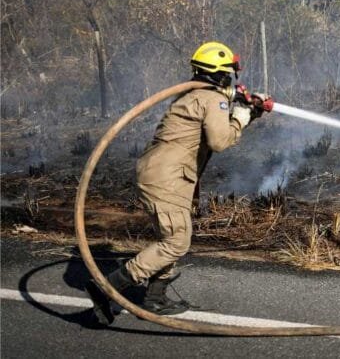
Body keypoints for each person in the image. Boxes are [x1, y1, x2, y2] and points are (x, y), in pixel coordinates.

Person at [85, 41, 271, 325]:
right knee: (176, 241)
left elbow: (213, 127)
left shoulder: (194, 96)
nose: (231, 81)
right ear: (220, 75)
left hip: (166, 175)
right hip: (167, 178)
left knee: (174, 237)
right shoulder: (212, 99)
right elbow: (220, 140)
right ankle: (106, 287)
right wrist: (241, 116)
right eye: (229, 75)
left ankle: (155, 297)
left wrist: (247, 112)